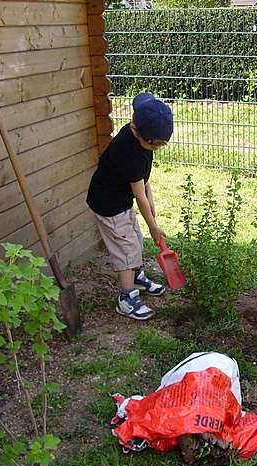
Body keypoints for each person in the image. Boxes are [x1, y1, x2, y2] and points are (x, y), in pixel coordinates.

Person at [86, 93, 173, 321]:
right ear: (144, 137)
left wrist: (152, 207)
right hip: (108, 204)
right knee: (126, 249)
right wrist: (153, 226)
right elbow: (139, 194)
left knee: (134, 238)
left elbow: (145, 182)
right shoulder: (129, 151)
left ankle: (136, 277)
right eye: (157, 145)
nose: (157, 148)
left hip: (120, 200)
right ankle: (126, 298)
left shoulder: (142, 138)